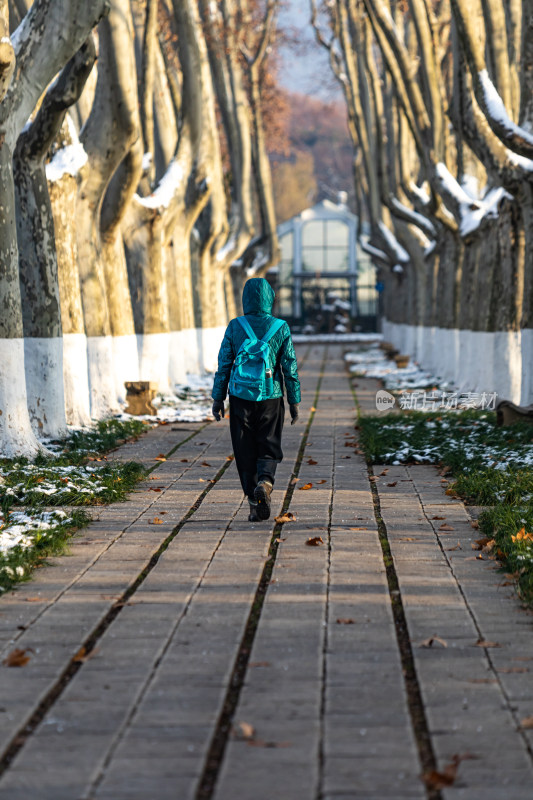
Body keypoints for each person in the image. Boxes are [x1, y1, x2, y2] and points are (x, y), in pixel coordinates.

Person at [211, 278, 301, 522]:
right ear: (270, 298)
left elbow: (224, 364)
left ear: (245, 299)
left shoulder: (235, 326)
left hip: (240, 397)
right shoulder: (281, 327)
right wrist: (294, 401)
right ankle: (266, 481)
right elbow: (289, 367)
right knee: (269, 444)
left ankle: (254, 502)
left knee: (244, 450)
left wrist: (218, 398)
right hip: (271, 397)